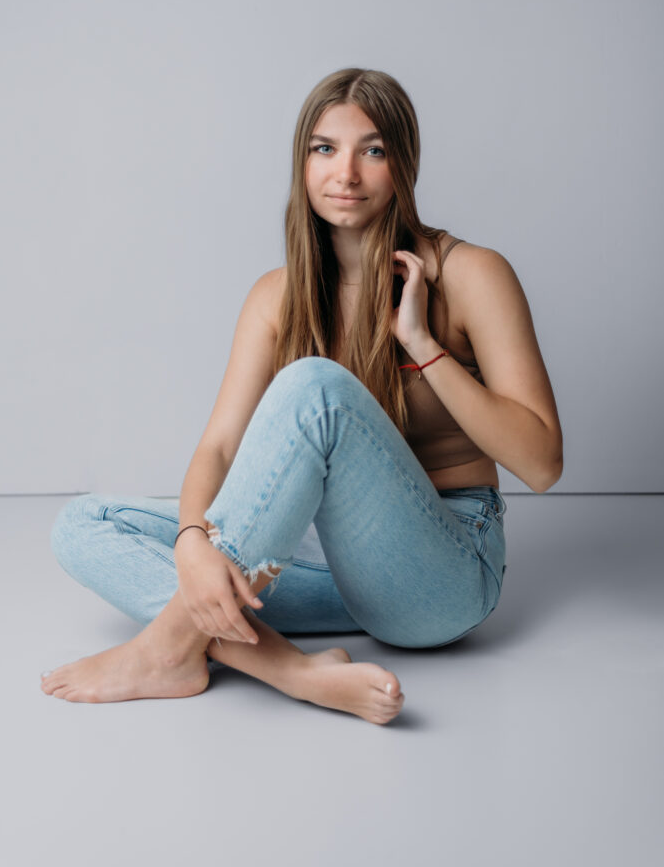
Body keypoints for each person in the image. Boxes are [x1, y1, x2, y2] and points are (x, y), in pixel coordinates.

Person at [41, 67, 563, 725]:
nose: (344, 173)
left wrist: (421, 342)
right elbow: (221, 446)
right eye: (324, 149)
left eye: (371, 150)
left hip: (443, 574)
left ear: (402, 164)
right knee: (84, 526)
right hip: (336, 564)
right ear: (301, 163)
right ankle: (290, 671)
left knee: (313, 385)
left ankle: (165, 652)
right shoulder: (275, 296)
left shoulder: (468, 274)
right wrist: (195, 544)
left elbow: (542, 464)